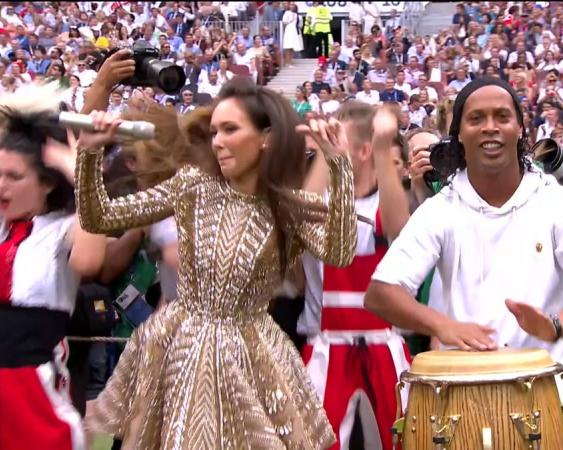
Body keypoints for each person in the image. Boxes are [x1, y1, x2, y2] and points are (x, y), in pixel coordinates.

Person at [78, 77, 358, 450]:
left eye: (230, 129)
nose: (218, 142)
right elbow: (99, 218)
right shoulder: (192, 186)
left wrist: (340, 167)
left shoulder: (287, 206)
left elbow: (340, 253)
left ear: (266, 138)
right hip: (182, 349)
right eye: (214, 132)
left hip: (251, 358)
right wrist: (89, 154)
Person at [364, 77, 563, 410]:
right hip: (461, 402)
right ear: (459, 134)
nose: (490, 127)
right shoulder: (441, 208)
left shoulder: (556, 202)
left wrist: (555, 326)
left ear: (520, 129)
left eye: (502, 116)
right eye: (476, 118)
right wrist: (443, 326)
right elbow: (381, 293)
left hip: (543, 400)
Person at [299, 103, 411, 450]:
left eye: (338, 137)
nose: (330, 141)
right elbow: (302, 217)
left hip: (383, 346)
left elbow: (399, 230)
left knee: (404, 440)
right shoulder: (321, 202)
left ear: (364, 151)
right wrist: (325, 153)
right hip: (327, 346)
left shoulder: (385, 204)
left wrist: (383, 147)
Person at [0, 83, 106, 450]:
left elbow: (90, 260)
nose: (1, 187)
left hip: (30, 391)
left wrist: (80, 171)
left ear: (46, 183)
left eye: (14, 177)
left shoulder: (62, 229)